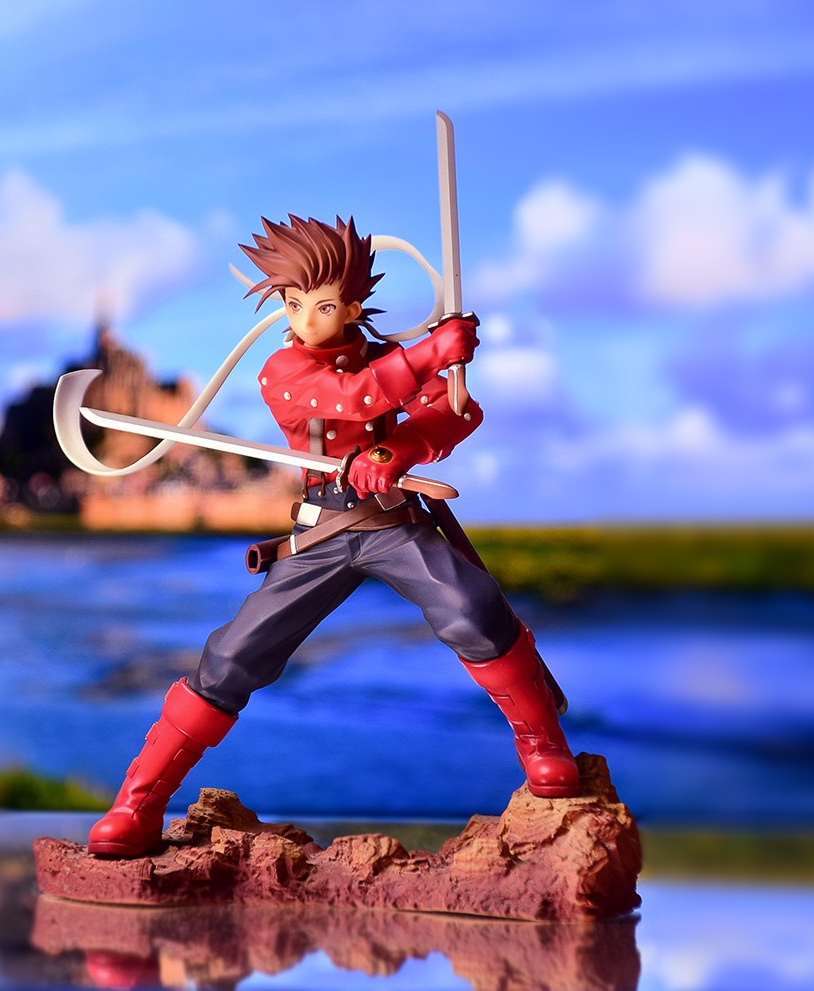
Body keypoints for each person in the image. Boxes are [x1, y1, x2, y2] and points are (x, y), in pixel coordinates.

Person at [87, 215, 580, 857]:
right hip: (320, 530)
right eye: (293, 304)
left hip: (391, 520)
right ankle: (139, 802)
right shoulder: (282, 370)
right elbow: (351, 397)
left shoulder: (385, 356)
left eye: (321, 306)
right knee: (232, 657)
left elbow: (457, 410)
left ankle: (543, 745)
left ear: (351, 306)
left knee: (473, 607)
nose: (305, 320)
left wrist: (398, 449)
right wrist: (430, 354)